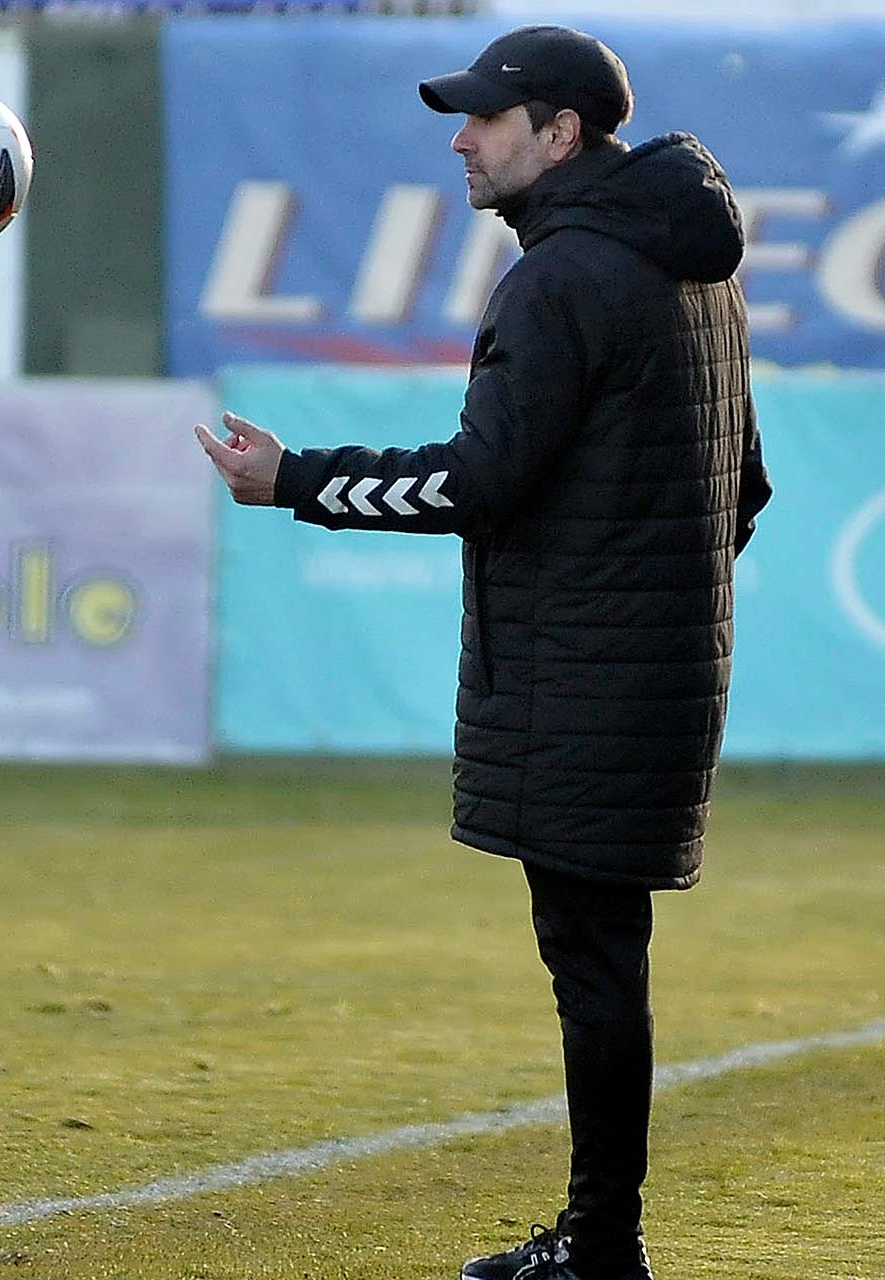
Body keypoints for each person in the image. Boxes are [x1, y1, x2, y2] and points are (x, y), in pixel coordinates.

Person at [196, 25, 771, 1280]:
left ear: (559, 134)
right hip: (655, 670)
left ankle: (601, 1252)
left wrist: (296, 477)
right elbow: (746, 482)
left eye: (484, 120)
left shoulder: (565, 276)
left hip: (590, 680)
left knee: (592, 967)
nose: (459, 139)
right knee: (601, 959)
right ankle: (596, 1241)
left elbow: (486, 479)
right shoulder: (694, 266)